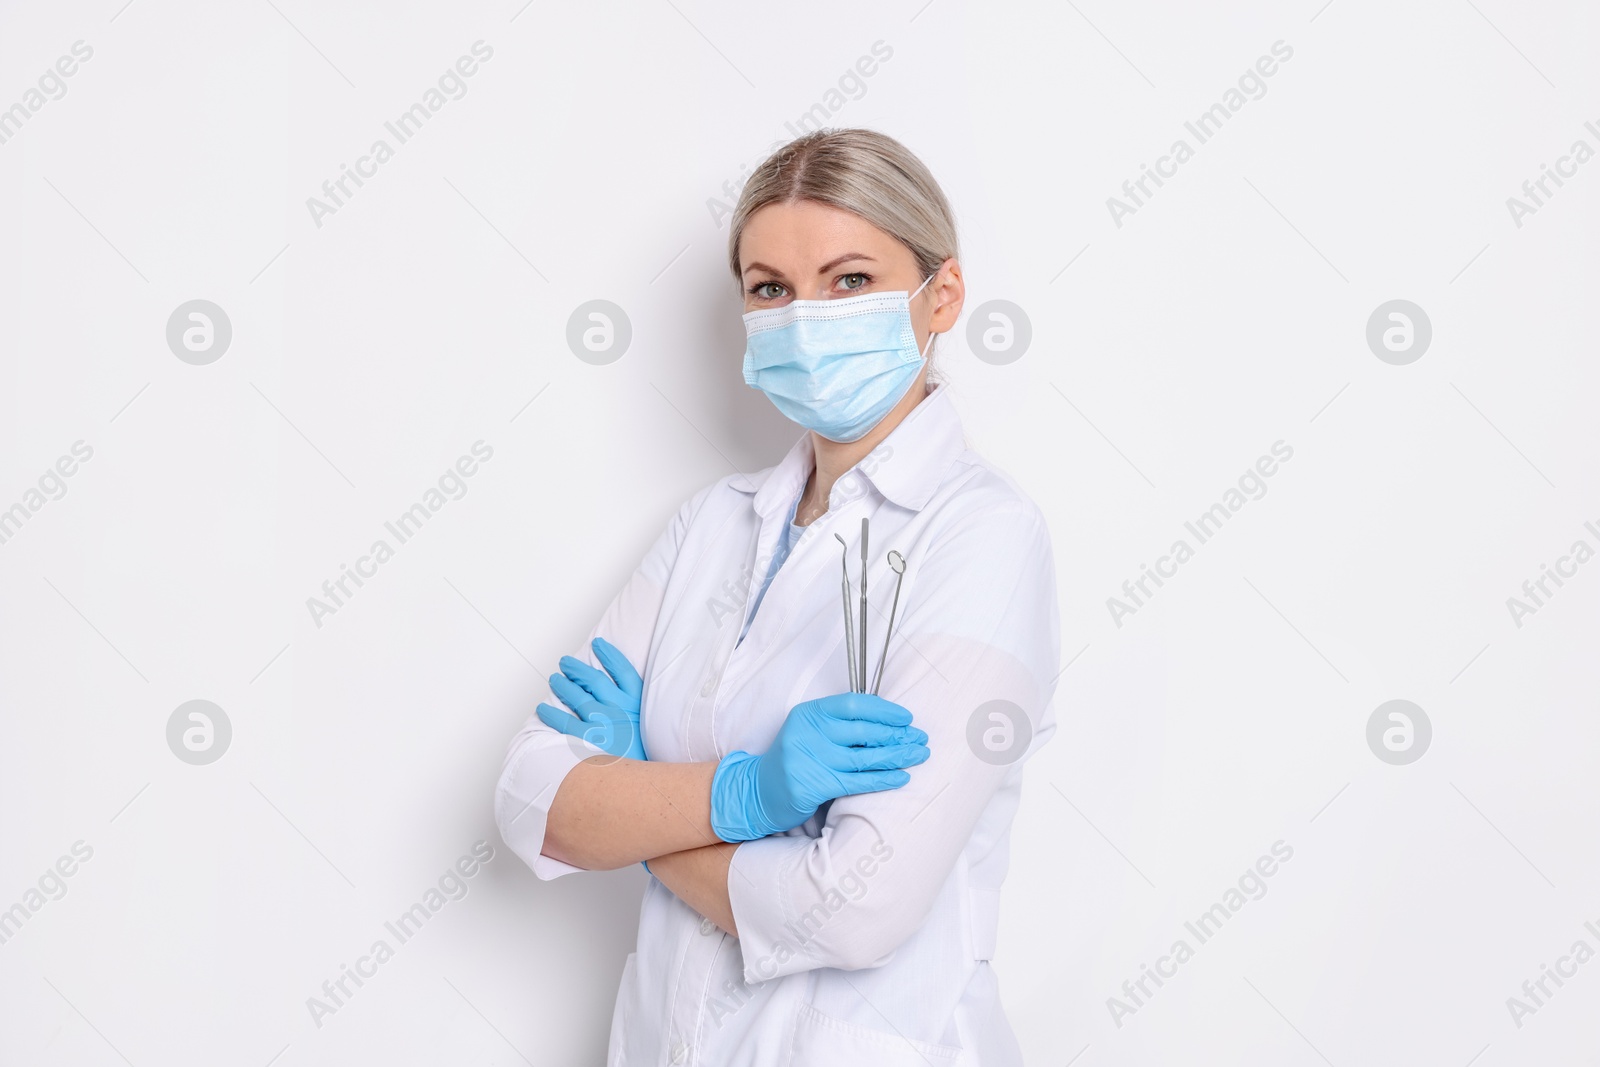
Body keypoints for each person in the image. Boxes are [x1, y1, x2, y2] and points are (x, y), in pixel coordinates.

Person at [495, 127, 1059, 1066]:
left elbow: (853, 909)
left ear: (942, 296)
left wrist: (651, 808)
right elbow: (529, 800)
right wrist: (746, 794)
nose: (805, 317)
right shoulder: (709, 526)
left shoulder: (984, 535)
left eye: (848, 281)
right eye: (771, 288)